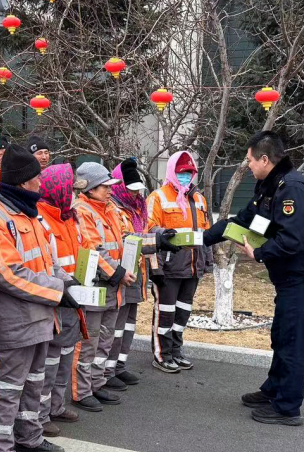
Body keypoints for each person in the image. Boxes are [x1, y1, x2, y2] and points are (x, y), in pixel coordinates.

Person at [204, 131, 304, 426]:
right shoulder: (269, 187)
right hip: (289, 277)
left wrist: (259, 253)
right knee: (281, 335)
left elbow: (292, 239)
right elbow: (244, 220)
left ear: (264, 159)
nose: (247, 165)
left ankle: (287, 407)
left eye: (249, 160)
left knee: (293, 340)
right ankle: (274, 389)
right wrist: (202, 238)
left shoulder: (293, 188)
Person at [0, 144, 76, 452]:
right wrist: (58, 291)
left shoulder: (30, 214)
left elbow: (47, 262)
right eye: (37, 177)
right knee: (6, 389)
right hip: (14, 320)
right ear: (22, 182)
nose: (42, 183)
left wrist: (69, 282)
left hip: (41, 317)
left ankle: (29, 435)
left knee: (34, 382)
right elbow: (7, 274)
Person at [72, 162, 135, 412]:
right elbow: (93, 249)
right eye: (104, 187)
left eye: (110, 186)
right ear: (89, 188)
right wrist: (118, 273)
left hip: (113, 286)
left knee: (105, 339)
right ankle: (81, 391)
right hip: (95, 286)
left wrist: (156, 241)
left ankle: (97, 383)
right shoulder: (82, 210)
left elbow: (124, 238)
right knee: (89, 341)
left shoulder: (110, 208)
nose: (110, 190)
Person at [145, 150, 213, 373]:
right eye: (182, 172)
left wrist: (207, 262)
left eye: (190, 173)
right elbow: (149, 229)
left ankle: (176, 350)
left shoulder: (199, 199)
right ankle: (162, 354)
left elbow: (206, 233)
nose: (186, 176)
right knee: (165, 312)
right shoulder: (158, 197)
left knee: (182, 312)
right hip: (168, 267)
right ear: (172, 172)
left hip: (193, 267)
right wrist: (156, 266)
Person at [36, 163, 84, 433]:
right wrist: (62, 285)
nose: (73, 194)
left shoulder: (69, 217)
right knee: (49, 361)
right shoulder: (42, 219)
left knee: (65, 356)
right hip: (55, 297)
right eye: (70, 189)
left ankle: (56, 406)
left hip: (72, 295)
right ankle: (41, 415)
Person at [106, 158, 152, 387]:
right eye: (131, 189)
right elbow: (129, 238)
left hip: (137, 271)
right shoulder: (114, 209)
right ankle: (108, 369)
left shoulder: (138, 206)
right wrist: (157, 241)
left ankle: (120, 365)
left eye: (137, 189)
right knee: (117, 324)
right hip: (120, 272)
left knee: (129, 322)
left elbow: (146, 231)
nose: (135, 194)